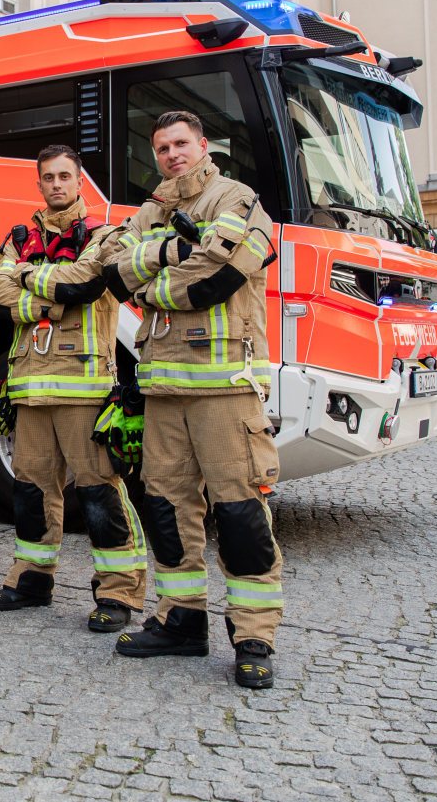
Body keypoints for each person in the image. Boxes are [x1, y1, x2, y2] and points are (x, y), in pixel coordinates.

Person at [100, 110, 282, 689]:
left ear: (204, 145)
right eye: (161, 147)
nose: (172, 154)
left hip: (225, 388)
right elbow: (113, 269)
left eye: (181, 143)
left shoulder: (239, 197)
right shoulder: (151, 210)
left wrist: (152, 276)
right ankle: (180, 620)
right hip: (163, 389)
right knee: (167, 510)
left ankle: (254, 637)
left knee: (239, 515)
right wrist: (169, 256)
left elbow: (223, 273)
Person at [0, 145, 147, 631]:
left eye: (64, 176)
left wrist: (25, 275)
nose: (56, 184)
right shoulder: (19, 235)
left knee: (98, 494)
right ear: (39, 184)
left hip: (85, 386)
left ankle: (118, 594)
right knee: (31, 491)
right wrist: (44, 305)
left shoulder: (104, 235)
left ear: (78, 183)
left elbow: (85, 282)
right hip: (28, 388)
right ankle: (31, 578)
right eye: (47, 177)